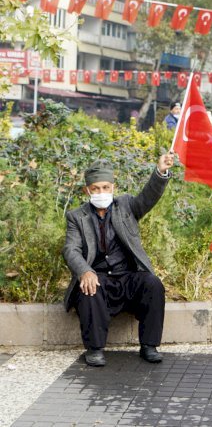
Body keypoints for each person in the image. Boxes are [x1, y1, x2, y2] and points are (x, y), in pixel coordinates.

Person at [62, 154, 174, 367]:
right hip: (99, 278)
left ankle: (150, 346)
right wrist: (84, 270)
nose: (101, 192)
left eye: (105, 187)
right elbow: (71, 249)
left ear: (113, 187)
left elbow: (149, 197)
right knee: (89, 288)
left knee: (153, 284)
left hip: (128, 276)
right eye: (95, 188)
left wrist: (160, 172)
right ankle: (94, 349)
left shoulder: (127, 206)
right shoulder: (76, 217)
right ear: (87, 191)